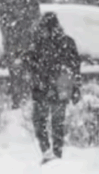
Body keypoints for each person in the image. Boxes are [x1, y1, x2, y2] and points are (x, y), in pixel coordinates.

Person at [26, 12, 82, 163]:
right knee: (57, 123)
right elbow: (75, 67)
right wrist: (76, 88)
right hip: (60, 88)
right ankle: (56, 153)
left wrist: (37, 77)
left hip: (43, 88)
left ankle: (48, 152)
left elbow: (29, 64)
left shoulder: (38, 43)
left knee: (40, 122)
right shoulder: (67, 42)